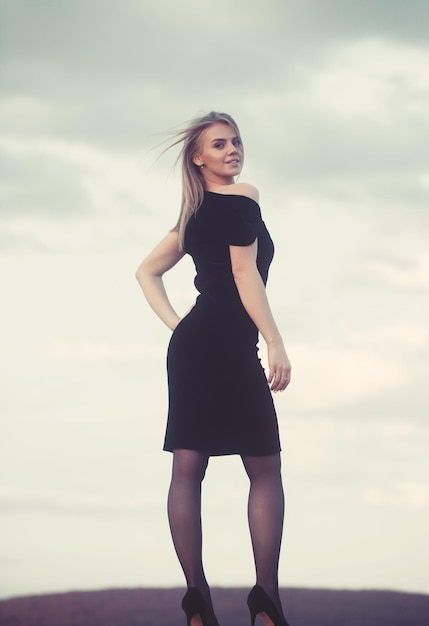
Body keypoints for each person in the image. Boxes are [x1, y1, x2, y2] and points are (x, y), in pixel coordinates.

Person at [135, 111, 292, 626]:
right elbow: (246, 274)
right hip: (230, 343)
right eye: (219, 144)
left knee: (188, 469)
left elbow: (146, 272)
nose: (233, 150)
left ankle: (196, 596)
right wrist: (275, 341)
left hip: (194, 345)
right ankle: (265, 598)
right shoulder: (243, 196)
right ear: (198, 157)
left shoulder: (193, 215)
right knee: (264, 467)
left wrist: (179, 327)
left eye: (236, 141)